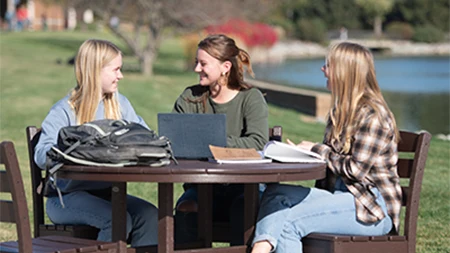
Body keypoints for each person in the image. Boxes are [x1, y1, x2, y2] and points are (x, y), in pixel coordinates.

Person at [251, 42, 402, 253]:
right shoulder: (339, 112)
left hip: (370, 208)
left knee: (288, 223)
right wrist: (301, 155)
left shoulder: (373, 115)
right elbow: (330, 159)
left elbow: (355, 169)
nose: (323, 70)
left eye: (328, 65)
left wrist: (317, 150)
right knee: (276, 193)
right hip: (339, 198)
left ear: (345, 72)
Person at [34, 39, 158, 247]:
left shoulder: (120, 105)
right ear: (94, 70)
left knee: (150, 215)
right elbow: (41, 155)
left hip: (109, 195)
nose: (121, 76)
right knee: (118, 220)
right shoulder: (64, 110)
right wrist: (73, 149)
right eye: (116, 69)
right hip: (65, 198)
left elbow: (145, 137)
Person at [173, 34, 269, 245]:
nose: (197, 68)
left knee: (242, 209)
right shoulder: (190, 98)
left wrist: (210, 141)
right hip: (200, 186)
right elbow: (176, 140)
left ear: (225, 67)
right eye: (196, 62)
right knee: (186, 207)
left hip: (245, 188)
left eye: (203, 63)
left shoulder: (250, 98)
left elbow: (258, 142)